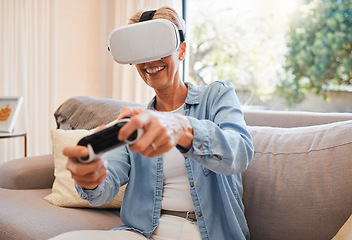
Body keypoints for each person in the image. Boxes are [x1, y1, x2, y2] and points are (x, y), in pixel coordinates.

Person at [52, 6, 254, 240]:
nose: (149, 62)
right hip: (142, 233)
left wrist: (180, 128)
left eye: (159, 48)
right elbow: (104, 189)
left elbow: (240, 152)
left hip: (207, 233)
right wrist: (90, 180)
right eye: (141, 52)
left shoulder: (217, 95)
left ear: (182, 51)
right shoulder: (134, 122)